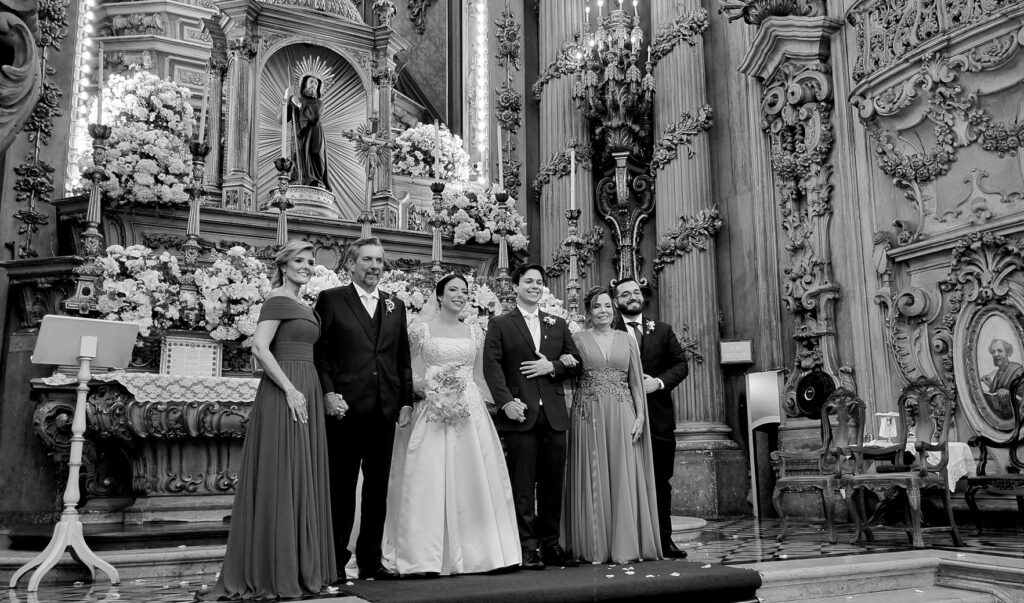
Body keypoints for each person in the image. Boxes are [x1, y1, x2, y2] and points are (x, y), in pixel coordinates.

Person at [208, 240, 336, 600]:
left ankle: (301, 568)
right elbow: (260, 348)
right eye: (300, 260)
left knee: (303, 472)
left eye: (311, 261)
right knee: (284, 473)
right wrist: (290, 390)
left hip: (306, 385)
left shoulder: (304, 304)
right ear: (283, 265)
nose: (307, 266)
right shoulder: (277, 300)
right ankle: (277, 571)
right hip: (284, 392)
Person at [381, 274, 521, 576]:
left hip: (469, 408)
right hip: (431, 408)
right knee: (429, 474)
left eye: (464, 291)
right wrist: (422, 386)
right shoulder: (420, 330)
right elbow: (402, 368)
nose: (460, 295)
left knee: (472, 473)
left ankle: (480, 551)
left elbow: (482, 374)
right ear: (439, 296)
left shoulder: (474, 331)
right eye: (453, 290)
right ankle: (424, 554)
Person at [314, 237, 412, 581]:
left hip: (384, 408)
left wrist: (405, 401)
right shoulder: (331, 299)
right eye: (368, 260)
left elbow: (402, 357)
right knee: (340, 488)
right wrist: (328, 393)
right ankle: (334, 561)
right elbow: (320, 353)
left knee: (377, 489)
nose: (374, 266)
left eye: (379, 261)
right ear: (351, 264)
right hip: (345, 407)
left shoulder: (395, 305)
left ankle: (371, 560)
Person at [483, 263, 581, 570]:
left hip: (554, 414)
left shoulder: (558, 323)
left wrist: (552, 366)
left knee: (553, 483)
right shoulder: (500, 323)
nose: (535, 286)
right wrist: (506, 403)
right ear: (516, 286)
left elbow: (576, 362)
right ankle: (527, 547)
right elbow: (492, 367)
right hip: (520, 413)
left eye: (539, 282)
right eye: (528, 281)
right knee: (522, 485)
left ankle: (550, 543)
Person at [562, 286, 661, 564]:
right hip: (588, 413)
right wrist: (563, 360)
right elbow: (566, 376)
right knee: (592, 472)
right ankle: (594, 545)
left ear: (614, 308)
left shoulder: (626, 339)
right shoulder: (577, 339)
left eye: (607, 305)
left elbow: (635, 382)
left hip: (623, 411)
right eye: (597, 306)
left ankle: (626, 544)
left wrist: (640, 416)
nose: (603, 311)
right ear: (588, 312)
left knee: (622, 472)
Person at [612, 277, 689, 558]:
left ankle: (664, 540)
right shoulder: (609, 330)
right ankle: (627, 542)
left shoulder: (663, 330)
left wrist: (657, 382)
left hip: (658, 418)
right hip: (620, 415)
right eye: (625, 294)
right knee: (622, 480)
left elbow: (681, 364)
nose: (632, 297)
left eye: (636, 292)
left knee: (659, 482)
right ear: (616, 301)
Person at [285, 74, 331, 191]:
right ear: (305, 84)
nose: (314, 85)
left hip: (314, 134)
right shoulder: (295, 100)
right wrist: (287, 98)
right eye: (311, 82)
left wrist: (299, 104)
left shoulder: (318, 103)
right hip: (299, 134)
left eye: (316, 84)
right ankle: (298, 178)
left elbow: (315, 117)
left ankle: (316, 180)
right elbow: (283, 118)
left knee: (316, 155)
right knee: (298, 155)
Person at [982, 339, 1024, 420]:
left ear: (1007, 352)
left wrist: (1009, 393)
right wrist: (991, 385)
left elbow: (1022, 398)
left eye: (999, 351)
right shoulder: (998, 373)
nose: (995, 354)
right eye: (993, 352)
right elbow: (996, 396)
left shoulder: (1017, 369)